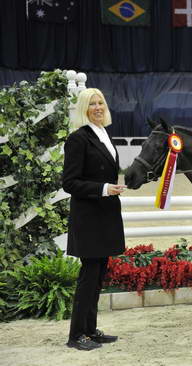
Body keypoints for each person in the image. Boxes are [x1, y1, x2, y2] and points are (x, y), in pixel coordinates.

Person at [63, 88, 126, 351]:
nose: (98, 107)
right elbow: (70, 182)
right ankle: (76, 335)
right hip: (89, 217)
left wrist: (109, 189)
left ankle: (90, 329)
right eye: (92, 104)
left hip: (105, 214)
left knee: (98, 275)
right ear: (83, 109)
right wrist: (102, 188)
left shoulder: (104, 134)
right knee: (88, 276)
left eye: (101, 102)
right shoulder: (78, 139)